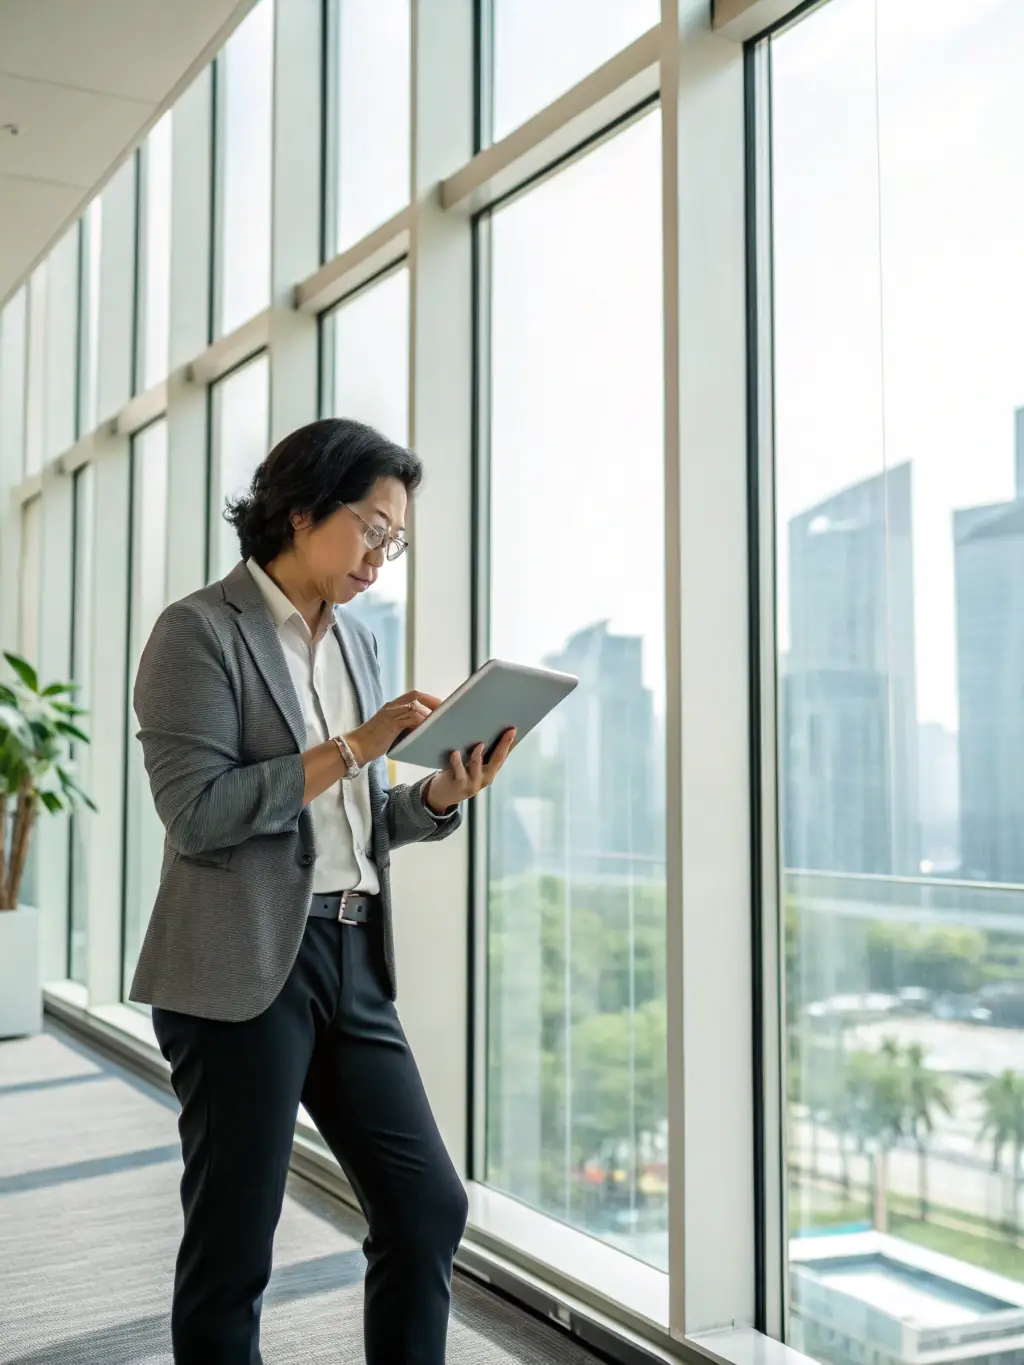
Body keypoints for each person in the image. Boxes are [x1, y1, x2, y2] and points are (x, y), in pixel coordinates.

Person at [129, 418, 515, 1365]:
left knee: (427, 1204)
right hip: (240, 966)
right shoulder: (197, 633)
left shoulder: (357, 645)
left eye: (398, 541)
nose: (384, 558)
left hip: (352, 953)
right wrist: (357, 745)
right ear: (301, 510)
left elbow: (351, 822)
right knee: (235, 1248)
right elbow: (200, 816)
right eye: (374, 530)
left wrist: (433, 796)